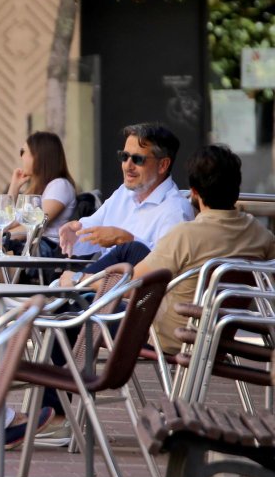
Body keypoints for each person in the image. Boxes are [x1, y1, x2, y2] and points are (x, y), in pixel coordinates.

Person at [70, 145, 275, 354]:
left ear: (194, 192)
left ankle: (63, 378)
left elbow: (129, 286)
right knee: (131, 250)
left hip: (167, 336)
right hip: (219, 334)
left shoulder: (185, 235)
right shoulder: (261, 236)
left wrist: (80, 279)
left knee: (74, 311)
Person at [58, 122, 194, 271]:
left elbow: (165, 268)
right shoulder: (123, 193)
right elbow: (90, 234)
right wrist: (74, 235)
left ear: (163, 165)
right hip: (100, 286)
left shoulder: (176, 210)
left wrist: (127, 240)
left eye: (138, 159)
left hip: (129, 291)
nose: (127, 166)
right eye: (124, 156)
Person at [0, 131, 78, 255]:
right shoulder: (36, 189)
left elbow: (36, 225)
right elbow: (2, 223)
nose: (21, 157)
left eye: (23, 152)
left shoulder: (60, 185)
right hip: (21, 242)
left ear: (38, 155)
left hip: (39, 247)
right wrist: (14, 187)